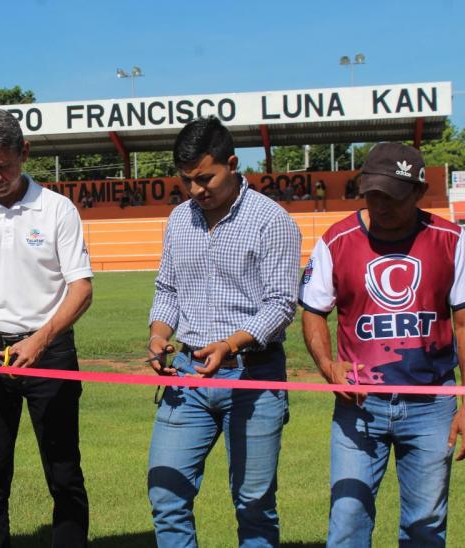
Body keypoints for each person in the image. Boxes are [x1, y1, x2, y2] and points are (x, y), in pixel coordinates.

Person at [300, 142, 465, 547]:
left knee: (424, 526)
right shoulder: (336, 241)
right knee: (347, 520)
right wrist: (328, 366)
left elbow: (463, 322)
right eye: (372, 193)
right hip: (359, 405)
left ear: (419, 192)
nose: (380, 205)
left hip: (432, 405)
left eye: (391, 196)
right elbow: (313, 310)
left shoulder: (452, 240)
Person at [146, 117, 301, 547]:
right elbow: (167, 290)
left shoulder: (272, 221)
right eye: (186, 180)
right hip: (187, 376)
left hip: (253, 376)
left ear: (232, 164)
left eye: (205, 178)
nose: (196, 190)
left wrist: (231, 344)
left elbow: (281, 305)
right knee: (166, 493)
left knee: (253, 503)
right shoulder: (179, 220)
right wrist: (160, 336)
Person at [0, 109, 93, 547]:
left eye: (3, 165)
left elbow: (81, 288)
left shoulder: (56, 210)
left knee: (63, 467)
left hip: (49, 352)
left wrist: (41, 340)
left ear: (24, 152)